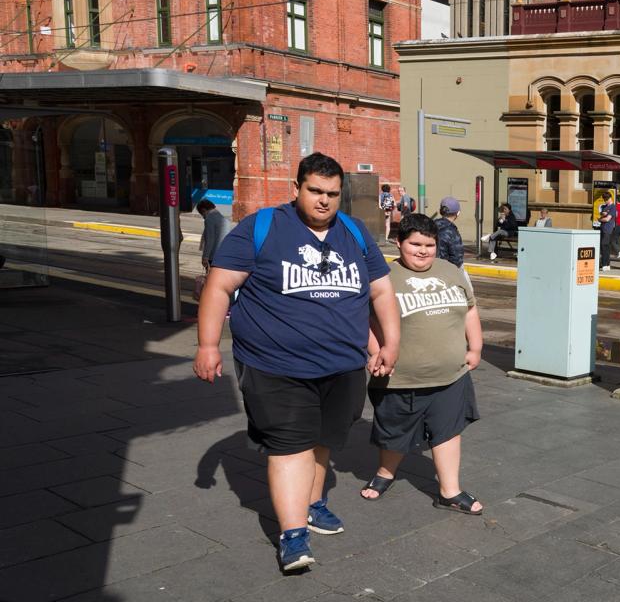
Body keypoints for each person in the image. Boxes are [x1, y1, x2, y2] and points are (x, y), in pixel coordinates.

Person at [193, 152, 401, 573]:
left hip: (343, 365)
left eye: (332, 194)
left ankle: (313, 502)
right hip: (275, 365)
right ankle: (292, 535)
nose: (324, 201)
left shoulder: (355, 232)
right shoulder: (264, 227)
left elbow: (380, 293)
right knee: (290, 446)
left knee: (323, 439)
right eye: (315, 191)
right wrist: (208, 344)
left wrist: (389, 343)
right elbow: (219, 287)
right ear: (297, 188)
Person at [360, 214, 484, 515]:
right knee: (394, 432)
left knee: (448, 431)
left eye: (429, 244)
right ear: (399, 242)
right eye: (415, 243)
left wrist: (476, 347)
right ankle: (385, 474)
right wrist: (375, 352)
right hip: (400, 377)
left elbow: (469, 310)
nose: (422, 250)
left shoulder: (451, 271)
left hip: (451, 375)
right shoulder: (384, 277)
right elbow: (365, 319)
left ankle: (449, 490)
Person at [196, 199, 230, 271]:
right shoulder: (223, 218)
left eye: (201, 214)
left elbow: (210, 239)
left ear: (204, 210)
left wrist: (205, 257)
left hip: (213, 257)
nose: (203, 216)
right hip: (224, 256)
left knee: (210, 279)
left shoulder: (209, 218)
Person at [434, 196, 464, 267]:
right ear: (458, 213)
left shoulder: (430, 226)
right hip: (444, 271)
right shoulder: (452, 232)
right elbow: (457, 260)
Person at [597, 196, 615, 270]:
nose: (604, 201)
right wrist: (603, 213)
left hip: (608, 229)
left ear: (609, 199)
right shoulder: (605, 206)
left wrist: (600, 219)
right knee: (606, 247)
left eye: (605, 200)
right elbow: (601, 212)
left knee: (604, 246)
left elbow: (607, 219)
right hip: (604, 228)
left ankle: (604, 264)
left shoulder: (613, 207)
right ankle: (607, 264)